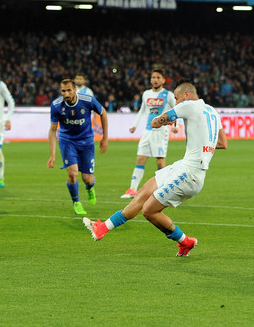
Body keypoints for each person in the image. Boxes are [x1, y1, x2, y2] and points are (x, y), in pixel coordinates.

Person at [84, 79, 228, 257]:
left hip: (189, 173)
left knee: (149, 210)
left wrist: (165, 120)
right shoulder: (213, 111)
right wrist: (202, 144)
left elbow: (155, 122)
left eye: (176, 98)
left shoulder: (188, 105)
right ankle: (102, 228)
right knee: (143, 192)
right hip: (183, 166)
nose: (176, 102)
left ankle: (185, 241)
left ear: (187, 95)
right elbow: (222, 143)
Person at [47, 79, 108, 215]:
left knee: (88, 178)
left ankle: (90, 187)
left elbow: (103, 113)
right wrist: (52, 154)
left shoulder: (87, 100)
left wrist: (105, 138)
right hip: (67, 141)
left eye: (69, 90)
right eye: (63, 91)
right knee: (73, 173)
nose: (66, 93)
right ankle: (76, 202)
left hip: (86, 142)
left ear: (75, 89)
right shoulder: (56, 105)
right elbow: (52, 130)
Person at [121, 68, 178, 199]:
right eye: (153, 77)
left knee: (160, 162)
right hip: (147, 131)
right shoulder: (146, 94)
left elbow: (176, 110)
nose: (155, 80)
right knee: (140, 159)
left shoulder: (168, 95)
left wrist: (176, 125)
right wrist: (135, 126)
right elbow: (142, 110)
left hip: (161, 131)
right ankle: (132, 190)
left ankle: (163, 190)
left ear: (163, 80)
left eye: (158, 77)